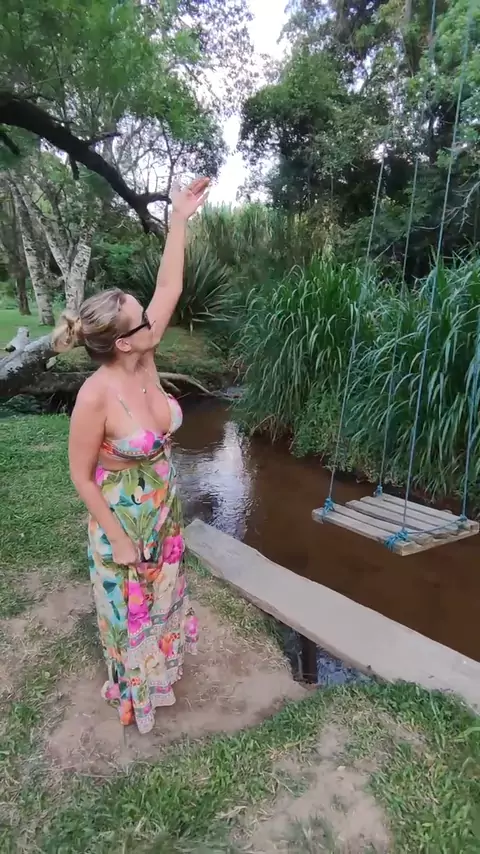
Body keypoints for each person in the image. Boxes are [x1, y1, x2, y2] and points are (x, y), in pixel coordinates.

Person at [52, 178, 209, 734]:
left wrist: (179, 219)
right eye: (143, 319)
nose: (154, 321)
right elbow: (80, 475)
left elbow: (169, 286)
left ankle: (161, 672)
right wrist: (117, 537)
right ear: (121, 341)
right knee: (129, 608)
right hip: (121, 515)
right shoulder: (94, 396)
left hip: (163, 506)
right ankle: (134, 690)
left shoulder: (144, 355)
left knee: (163, 595)